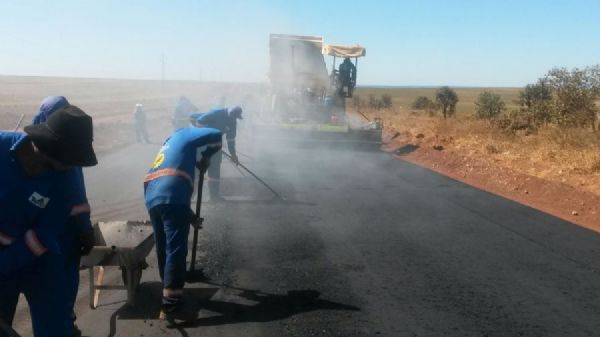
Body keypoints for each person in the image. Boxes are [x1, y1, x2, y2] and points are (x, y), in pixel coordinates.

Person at [0, 106, 97, 337]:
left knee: (54, 328)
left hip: (39, 261)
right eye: (68, 160)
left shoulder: (65, 179)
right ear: (42, 146)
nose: (72, 167)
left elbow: (43, 234)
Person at [30, 96, 95, 337]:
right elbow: (76, 195)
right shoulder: (65, 146)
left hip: (31, 229)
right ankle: (64, 323)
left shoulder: (36, 138)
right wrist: (85, 229)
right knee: (62, 283)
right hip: (60, 232)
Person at [143, 127, 222, 314]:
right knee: (176, 248)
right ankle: (171, 302)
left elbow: (169, 196)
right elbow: (217, 134)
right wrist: (207, 156)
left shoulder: (168, 146)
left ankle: (168, 288)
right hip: (172, 192)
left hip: (152, 195)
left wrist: (191, 217)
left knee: (164, 247)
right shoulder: (185, 134)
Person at [189, 106, 242, 201]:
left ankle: (214, 196)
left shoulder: (233, 121)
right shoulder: (216, 113)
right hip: (203, 145)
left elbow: (231, 140)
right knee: (197, 171)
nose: (233, 119)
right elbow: (199, 121)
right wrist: (206, 137)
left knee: (215, 171)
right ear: (228, 113)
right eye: (232, 116)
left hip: (216, 145)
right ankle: (190, 195)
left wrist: (233, 155)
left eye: (235, 117)